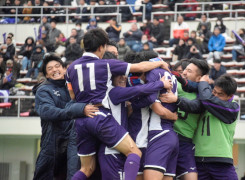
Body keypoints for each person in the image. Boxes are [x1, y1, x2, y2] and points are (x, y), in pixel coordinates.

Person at [67, 28, 171, 180]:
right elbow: (140, 67)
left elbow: (72, 96)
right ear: (101, 47)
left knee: (87, 168)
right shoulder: (105, 64)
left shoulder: (70, 68)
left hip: (81, 118)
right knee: (135, 152)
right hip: (100, 115)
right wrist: (159, 63)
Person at [160, 74, 239, 180]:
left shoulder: (233, 107)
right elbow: (195, 98)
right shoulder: (205, 100)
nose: (215, 96)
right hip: (198, 160)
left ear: (230, 96)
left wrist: (203, 82)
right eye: (214, 91)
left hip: (221, 161)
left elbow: (206, 98)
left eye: (220, 94)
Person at [98, 67, 172, 179]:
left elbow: (145, 98)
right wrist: (160, 83)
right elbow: (140, 91)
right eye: (119, 75)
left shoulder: (120, 93)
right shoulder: (113, 92)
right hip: (110, 150)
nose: (123, 77)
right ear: (110, 77)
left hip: (121, 148)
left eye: (124, 75)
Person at [32, 53, 97, 180]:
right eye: (50, 69)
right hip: (53, 146)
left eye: (57, 66)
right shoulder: (43, 90)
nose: (55, 70)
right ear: (46, 75)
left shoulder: (75, 86)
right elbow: (48, 111)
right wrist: (78, 110)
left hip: (76, 142)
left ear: (64, 69)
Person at [165, 59, 209, 180]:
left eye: (189, 71)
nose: (184, 73)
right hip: (168, 134)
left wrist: (177, 100)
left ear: (199, 78)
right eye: (185, 69)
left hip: (186, 140)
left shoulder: (204, 92)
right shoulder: (174, 83)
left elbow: (198, 107)